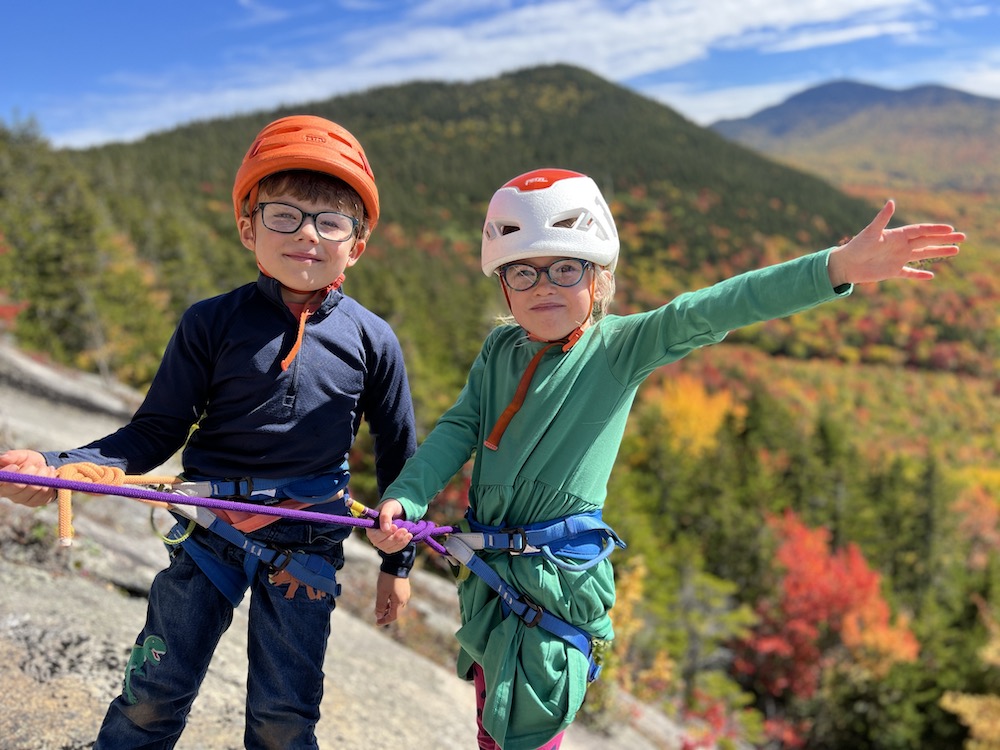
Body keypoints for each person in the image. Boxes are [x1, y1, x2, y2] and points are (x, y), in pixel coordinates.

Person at [366, 167, 965, 750]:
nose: (543, 285)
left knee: (524, 726)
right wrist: (407, 495)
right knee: (491, 718)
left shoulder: (618, 349)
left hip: (551, 586)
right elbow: (460, 427)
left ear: (597, 279)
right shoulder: (500, 349)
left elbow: (715, 307)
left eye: (565, 268)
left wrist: (832, 268)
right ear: (503, 284)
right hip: (494, 581)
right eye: (522, 273)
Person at [0, 115, 418, 750]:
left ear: (356, 243)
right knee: (153, 696)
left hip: (311, 536)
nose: (306, 234)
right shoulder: (211, 323)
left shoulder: (372, 340)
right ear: (249, 228)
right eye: (284, 216)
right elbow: (152, 432)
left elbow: (399, 459)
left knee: (284, 718)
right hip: (209, 528)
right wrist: (59, 465)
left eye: (329, 221)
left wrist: (399, 559)